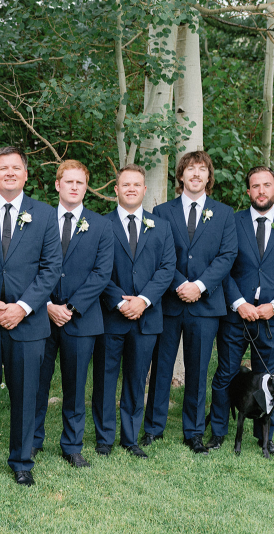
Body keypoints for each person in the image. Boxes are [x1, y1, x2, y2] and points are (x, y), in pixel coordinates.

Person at [0, 146, 61, 486]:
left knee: (26, 395)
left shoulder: (46, 214)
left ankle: (21, 461)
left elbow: (51, 269)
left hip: (28, 322)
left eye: (15, 168)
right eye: (2, 168)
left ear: (26, 174)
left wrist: (22, 307)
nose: (9, 172)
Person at [207, 166, 274, 455]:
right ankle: (217, 433)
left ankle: (264, 437)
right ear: (248, 192)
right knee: (225, 374)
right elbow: (222, 266)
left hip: (272, 320)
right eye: (255, 186)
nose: (261, 190)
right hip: (235, 316)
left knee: (269, 380)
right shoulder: (232, 223)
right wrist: (239, 303)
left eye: (267, 185)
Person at [143, 150, 237, 454]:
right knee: (161, 368)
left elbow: (227, 255)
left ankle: (194, 431)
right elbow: (157, 255)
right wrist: (179, 283)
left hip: (206, 305)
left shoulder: (223, 213)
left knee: (198, 370)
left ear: (208, 177)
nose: (196, 174)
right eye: (190, 169)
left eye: (202, 170)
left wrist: (199, 285)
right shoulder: (161, 212)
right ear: (181, 176)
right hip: (170, 302)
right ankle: (154, 428)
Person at [32, 160, 113, 468]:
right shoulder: (38, 219)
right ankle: (32, 440)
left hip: (81, 319)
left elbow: (101, 273)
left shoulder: (100, 225)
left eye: (80, 182)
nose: (75, 187)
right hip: (41, 315)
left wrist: (71, 307)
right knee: (37, 383)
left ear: (86, 187)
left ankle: (72, 445)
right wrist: (48, 305)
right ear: (58, 185)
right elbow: (30, 266)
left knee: (76, 385)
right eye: (69, 182)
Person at [92, 165, 175, 458]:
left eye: (136, 185)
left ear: (144, 190)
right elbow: (97, 269)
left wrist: (143, 300)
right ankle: (104, 438)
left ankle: (130, 438)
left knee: (136, 379)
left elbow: (167, 268)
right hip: (110, 315)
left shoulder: (161, 226)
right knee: (105, 378)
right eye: (125, 184)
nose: (130, 189)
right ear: (116, 190)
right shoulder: (100, 225)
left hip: (147, 318)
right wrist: (120, 301)